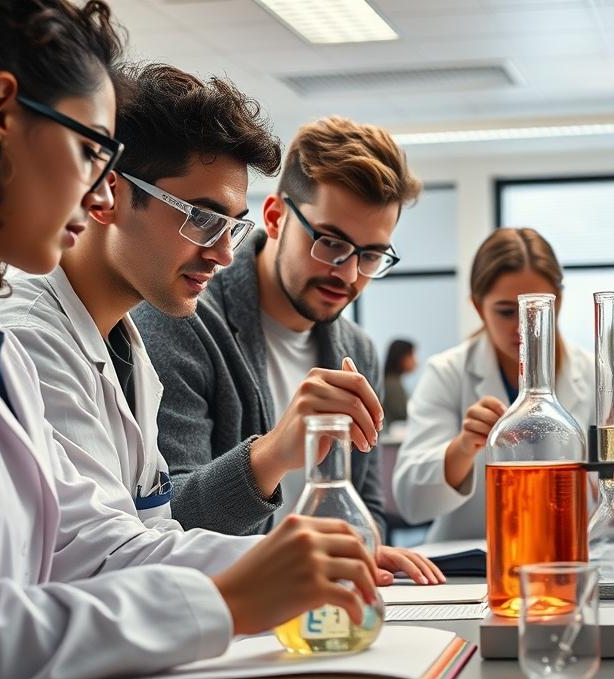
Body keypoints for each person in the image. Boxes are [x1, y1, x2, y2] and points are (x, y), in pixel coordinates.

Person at [0, 1, 379, 679]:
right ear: (0, 116)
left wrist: (284, 566)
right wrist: (227, 602)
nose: (97, 193)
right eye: (91, 150)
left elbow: (101, 545)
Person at [0, 64, 438, 582]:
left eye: (231, 227)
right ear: (109, 194)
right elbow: (101, 559)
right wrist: (297, 556)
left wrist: (333, 553)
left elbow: (154, 530)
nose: (223, 254)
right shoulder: (30, 338)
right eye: (201, 218)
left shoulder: (124, 346)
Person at [132, 116, 442, 581]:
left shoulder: (356, 349)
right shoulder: (180, 318)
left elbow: (368, 507)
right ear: (276, 218)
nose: (348, 273)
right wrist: (273, 453)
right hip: (226, 606)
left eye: (371, 255)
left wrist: (365, 547)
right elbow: (165, 523)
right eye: (330, 243)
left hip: (319, 602)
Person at [393, 227, 614, 542]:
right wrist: (463, 447)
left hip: (564, 555)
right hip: (469, 562)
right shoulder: (448, 372)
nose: (523, 326)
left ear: (558, 301)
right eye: (506, 312)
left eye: (536, 309)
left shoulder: (597, 372)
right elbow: (411, 501)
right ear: (478, 307)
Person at [382, 338, 417, 424]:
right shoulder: (392, 385)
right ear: (401, 357)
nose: (415, 361)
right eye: (411, 355)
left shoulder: (394, 381)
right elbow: (402, 415)